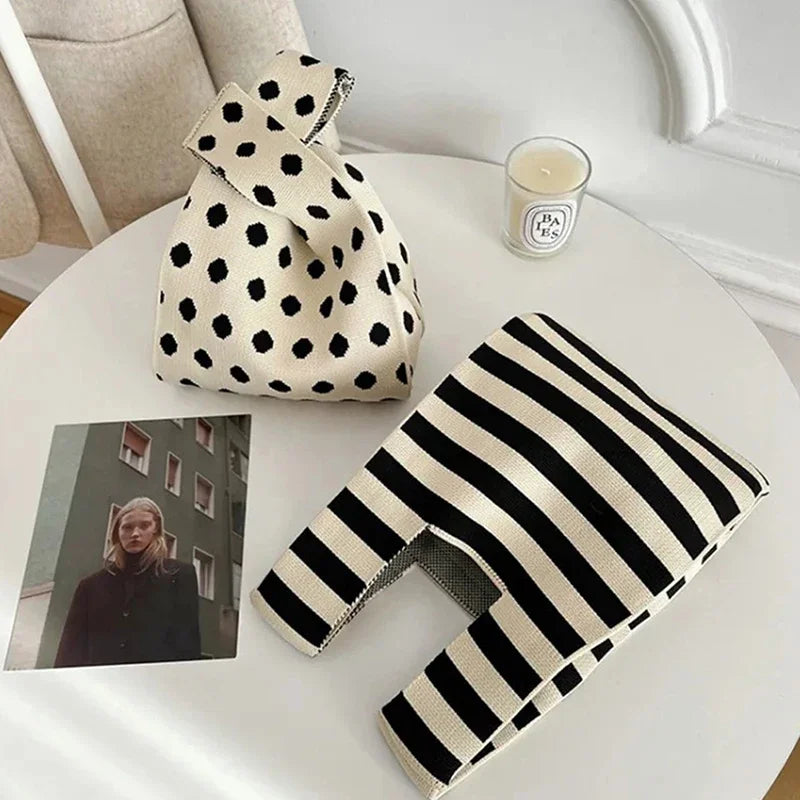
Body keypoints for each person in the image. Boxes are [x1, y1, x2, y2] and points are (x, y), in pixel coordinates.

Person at [54, 497, 201, 667]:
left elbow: (188, 645)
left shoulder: (179, 575)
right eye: (127, 527)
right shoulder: (90, 586)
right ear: (117, 533)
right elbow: (69, 650)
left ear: (156, 530)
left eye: (145, 525)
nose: (135, 534)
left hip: (155, 685)